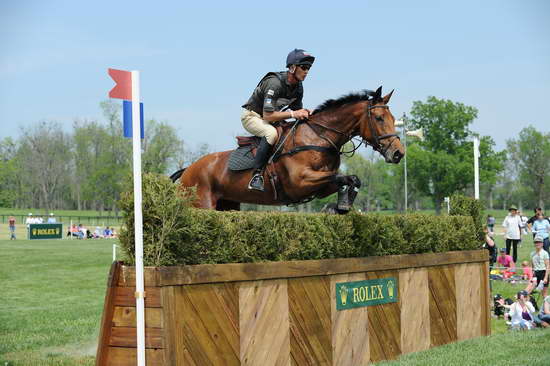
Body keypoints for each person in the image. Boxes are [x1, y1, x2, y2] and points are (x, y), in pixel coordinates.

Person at [241, 48, 315, 191]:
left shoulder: (298, 87)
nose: (307, 71)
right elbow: (268, 115)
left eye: (309, 68)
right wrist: (294, 114)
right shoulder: (274, 83)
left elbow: (296, 111)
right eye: (304, 67)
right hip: (252, 117)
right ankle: (256, 176)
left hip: (271, 119)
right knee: (271, 134)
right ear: (292, 68)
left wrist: (308, 114)